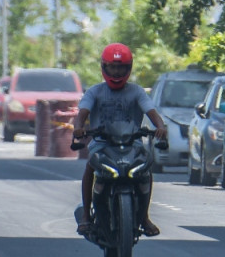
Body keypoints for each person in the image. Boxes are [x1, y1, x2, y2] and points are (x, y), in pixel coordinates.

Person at [72, 43, 168, 237]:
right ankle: (85, 216)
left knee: (145, 171)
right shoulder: (95, 92)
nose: (116, 72)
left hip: (132, 144)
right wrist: (78, 127)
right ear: (104, 67)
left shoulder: (137, 91)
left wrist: (160, 126)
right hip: (102, 143)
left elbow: (150, 111)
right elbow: (83, 112)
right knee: (90, 167)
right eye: (113, 67)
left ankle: (144, 217)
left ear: (129, 68)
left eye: (121, 67)